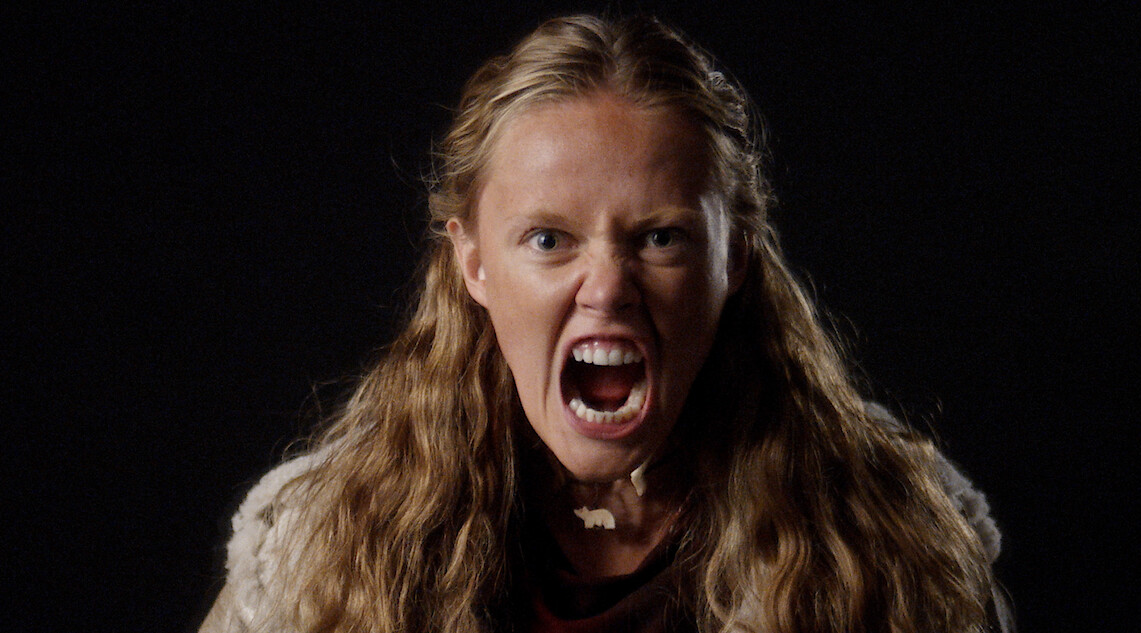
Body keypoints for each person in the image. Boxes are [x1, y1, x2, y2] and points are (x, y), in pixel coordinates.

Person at [200, 14, 1010, 633]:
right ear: (473, 263)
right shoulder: (316, 551)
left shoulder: (897, 544)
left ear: (734, 259)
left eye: (660, 238)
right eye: (549, 240)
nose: (608, 288)